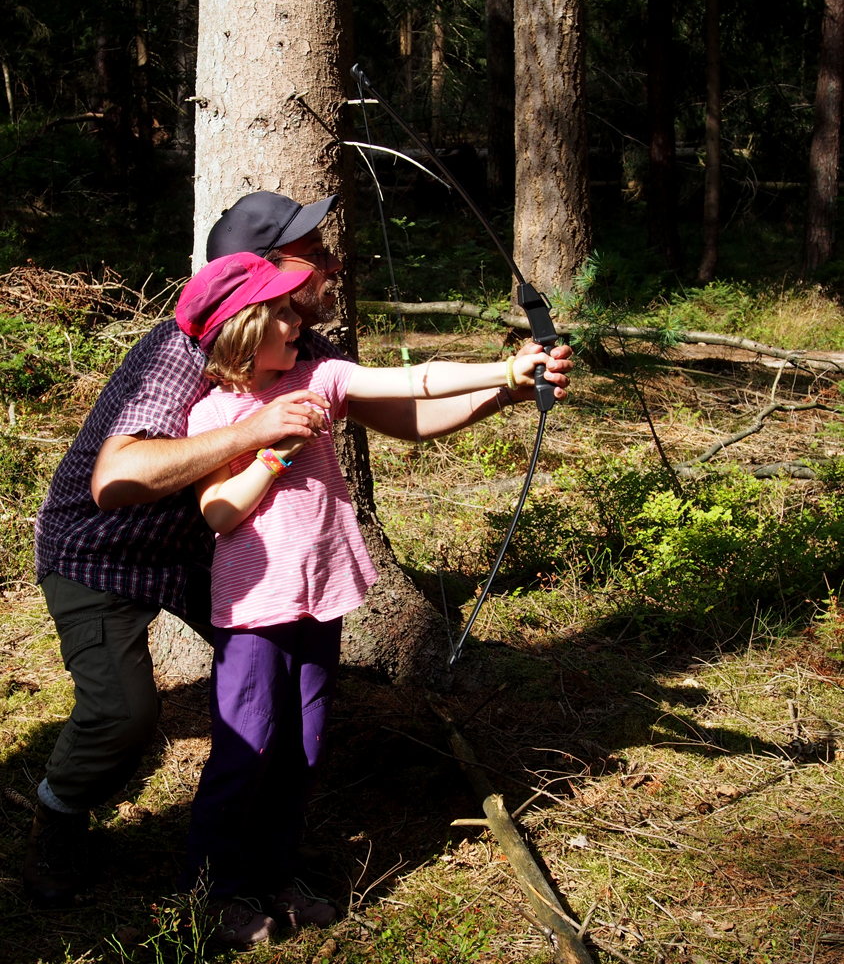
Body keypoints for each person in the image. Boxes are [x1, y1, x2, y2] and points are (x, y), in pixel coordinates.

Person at [26, 188, 575, 912]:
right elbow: (118, 480)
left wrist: (510, 383)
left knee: (278, 716)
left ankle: (261, 865)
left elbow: (402, 408)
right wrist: (257, 437)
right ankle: (61, 822)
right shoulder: (181, 350)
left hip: (216, 550)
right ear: (259, 276)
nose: (333, 264)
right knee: (123, 716)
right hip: (104, 553)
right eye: (312, 255)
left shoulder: (300, 346)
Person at [175, 251, 558, 947]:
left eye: (297, 309)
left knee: (304, 745)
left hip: (320, 598)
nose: (300, 323)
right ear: (241, 327)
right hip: (255, 607)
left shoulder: (319, 375)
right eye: (283, 314)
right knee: (247, 746)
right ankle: (217, 890)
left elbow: (414, 381)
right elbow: (220, 515)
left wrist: (507, 372)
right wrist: (270, 452)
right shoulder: (214, 413)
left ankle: (277, 875)